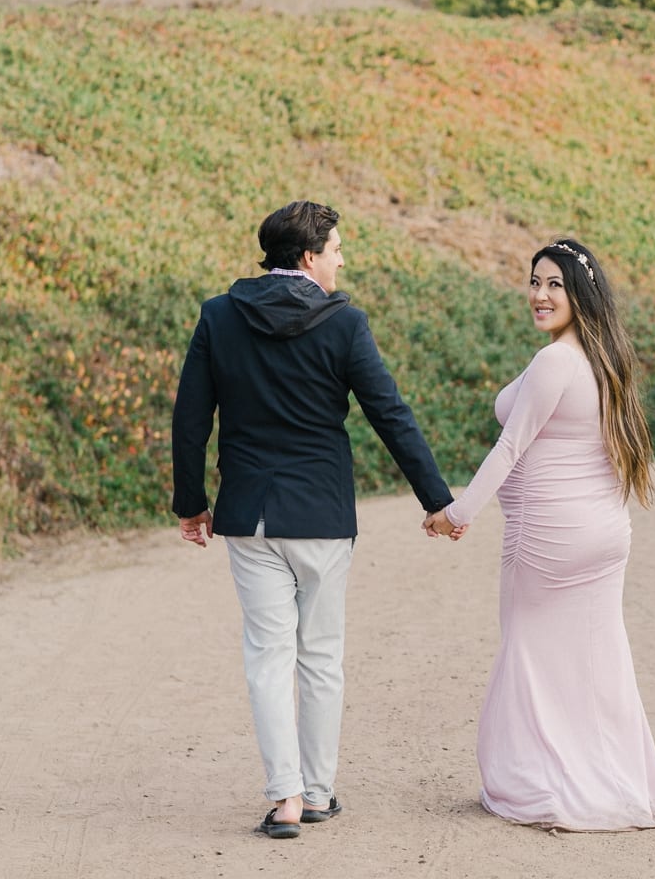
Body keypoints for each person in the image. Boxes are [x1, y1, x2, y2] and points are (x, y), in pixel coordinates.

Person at [171, 201, 455, 839]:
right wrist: (436, 500)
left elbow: (191, 418)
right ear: (307, 257)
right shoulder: (344, 324)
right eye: (334, 249)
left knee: (267, 658)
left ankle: (286, 799)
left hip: (250, 516)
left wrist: (191, 503)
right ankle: (320, 791)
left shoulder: (219, 316)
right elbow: (390, 412)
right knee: (321, 657)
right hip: (323, 514)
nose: (342, 259)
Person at [424, 238, 655, 832]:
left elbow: (511, 447)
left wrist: (458, 513)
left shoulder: (556, 361)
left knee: (531, 656)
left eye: (554, 284)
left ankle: (543, 784)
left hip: (548, 537)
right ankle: (619, 782)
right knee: (598, 658)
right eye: (534, 281)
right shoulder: (604, 360)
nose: (539, 294)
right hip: (605, 534)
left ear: (579, 292)